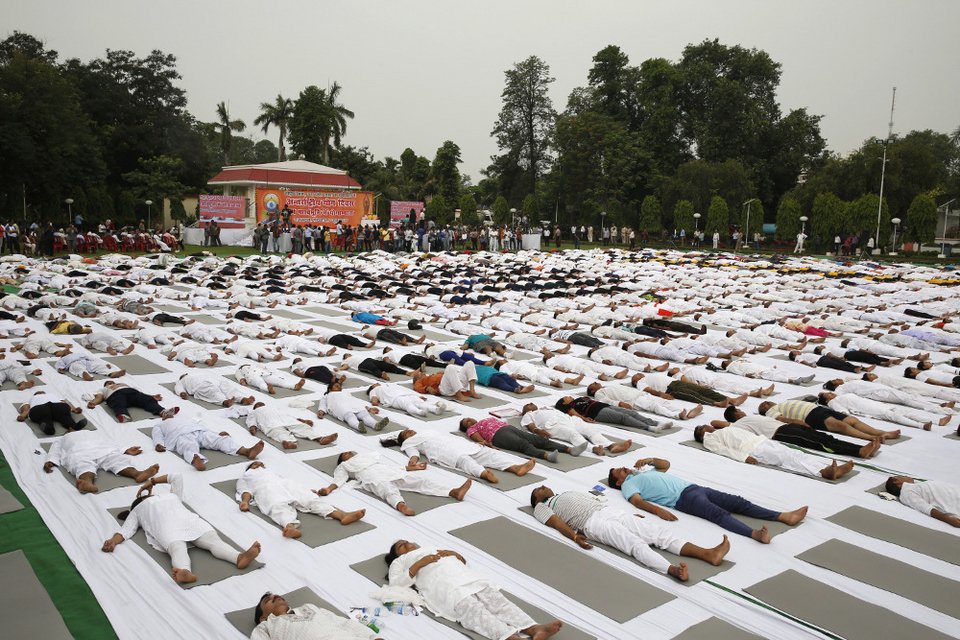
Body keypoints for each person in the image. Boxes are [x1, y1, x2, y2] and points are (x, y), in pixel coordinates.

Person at [529, 486, 729, 581]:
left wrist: (630, 514)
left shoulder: (565, 492)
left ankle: (707, 554)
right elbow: (556, 522)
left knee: (656, 532)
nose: (542, 486)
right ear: (537, 499)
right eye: (538, 489)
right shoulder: (541, 507)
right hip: (591, 523)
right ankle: (672, 570)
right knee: (633, 543)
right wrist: (574, 537)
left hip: (608, 511)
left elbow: (596, 501)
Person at [385, 539, 563, 640]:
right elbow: (395, 584)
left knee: (497, 601)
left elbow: (462, 561)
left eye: (407, 541)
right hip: (443, 585)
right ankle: (511, 638)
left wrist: (453, 554)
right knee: (473, 609)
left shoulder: (431, 547)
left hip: (466, 577)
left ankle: (534, 628)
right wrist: (419, 564)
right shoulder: (399, 562)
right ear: (397, 554)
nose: (407, 543)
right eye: (401, 545)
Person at [102, 474, 261, 584]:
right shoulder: (138, 509)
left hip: (188, 520)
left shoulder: (172, 496)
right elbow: (126, 530)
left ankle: (239, 557)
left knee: (213, 540)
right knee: (177, 547)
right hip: (165, 526)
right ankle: (185, 572)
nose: (149, 495)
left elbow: (176, 476)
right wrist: (113, 541)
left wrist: (152, 481)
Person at [608, 457, 808, 543]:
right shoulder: (628, 486)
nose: (625, 468)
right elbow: (637, 502)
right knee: (718, 514)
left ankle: (783, 516)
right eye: (621, 471)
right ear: (618, 482)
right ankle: (754, 534)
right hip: (683, 499)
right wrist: (659, 511)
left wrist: (649, 459)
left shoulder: (642, 473)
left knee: (739, 502)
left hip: (695, 488)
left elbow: (665, 465)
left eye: (623, 467)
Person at [318, 451, 469, 516]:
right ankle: (401, 506)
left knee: (419, 481)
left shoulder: (367, 457)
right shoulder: (344, 465)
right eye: (344, 454)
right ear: (342, 459)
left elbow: (389, 466)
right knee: (387, 489)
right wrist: (328, 489)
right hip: (370, 476)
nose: (348, 452)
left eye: (349, 452)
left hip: (387, 471)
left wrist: (413, 468)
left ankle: (452, 492)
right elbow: (339, 478)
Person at [236, 461, 365, 538]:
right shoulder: (245, 477)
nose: (259, 464)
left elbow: (285, 480)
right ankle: (290, 526)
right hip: (265, 489)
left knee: (309, 498)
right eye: (255, 464)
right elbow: (245, 491)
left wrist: (307, 490)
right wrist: (245, 502)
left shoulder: (271, 472)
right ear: (249, 468)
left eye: (261, 464)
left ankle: (342, 515)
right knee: (277, 506)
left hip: (286, 485)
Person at [694, 424, 855, 480]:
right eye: (703, 427)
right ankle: (823, 472)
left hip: (760, 441)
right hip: (751, 449)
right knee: (785, 459)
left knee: (794, 453)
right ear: (702, 433)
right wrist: (744, 457)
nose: (707, 426)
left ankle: (829, 467)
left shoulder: (721, 430)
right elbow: (723, 450)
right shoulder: (709, 438)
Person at [383, 429, 536, 484]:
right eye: (406, 433)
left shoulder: (426, 431)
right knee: (463, 460)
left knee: (486, 453)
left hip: (456, 443)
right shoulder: (408, 443)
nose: (409, 431)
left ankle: (515, 467)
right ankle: (483, 473)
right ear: (404, 439)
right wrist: (413, 463)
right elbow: (413, 454)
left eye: (409, 430)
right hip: (442, 451)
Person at [43, 430, 160, 493]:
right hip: (78, 451)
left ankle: (137, 474)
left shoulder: (91, 432)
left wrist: (125, 449)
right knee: (83, 465)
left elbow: (108, 442)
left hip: (101, 449)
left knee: (116, 459)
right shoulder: (61, 439)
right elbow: (55, 450)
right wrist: (50, 460)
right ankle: (87, 483)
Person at [152, 413, 264, 471]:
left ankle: (246, 451)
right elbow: (157, 434)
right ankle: (197, 461)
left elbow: (200, 425)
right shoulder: (159, 424)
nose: (168, 414)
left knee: (219, 440)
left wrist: (216, 433)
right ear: (163, 417)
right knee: (188, 446)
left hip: (199, 431)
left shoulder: (184, 418)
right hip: (180, 435)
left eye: (170, 413)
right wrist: (158, 444)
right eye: (166, 414)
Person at [757, 398, 899, 443]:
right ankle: (871, 438)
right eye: (763, 404)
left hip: (817, 408)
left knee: (852, 420)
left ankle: (881, 432)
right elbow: (782, 419)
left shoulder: (782, 402)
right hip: (810, 416)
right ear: (764, 410)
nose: (766, 402)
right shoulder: (770, 412)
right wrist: (801, 423)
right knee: (841, 425)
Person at [252, 592, 381, 640]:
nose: (274, 596)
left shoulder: (309, 607)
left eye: (275, 595)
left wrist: (373, 637)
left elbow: (344, 623)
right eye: (268, 599)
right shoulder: (267, 626)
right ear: (262, 618)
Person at [520, 403, 632, 456]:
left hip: (569, 419)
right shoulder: (529, 414)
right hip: (553, 425)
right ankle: (594, 449)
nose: (531, 403)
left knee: (590, 430)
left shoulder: (546, 407)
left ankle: (611, 445)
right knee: (572, 434)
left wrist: (583, 418)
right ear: (525, 410)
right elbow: (531, 426)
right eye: (528, 404)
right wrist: (538, 431)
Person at [459, 416, 584, 462]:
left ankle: (569, 449)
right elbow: (478, 438)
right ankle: (546, 456)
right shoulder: (471, 429)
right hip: (497, 435)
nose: (469, 420)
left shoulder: (484, 419)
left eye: (468, 418)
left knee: (537, 439)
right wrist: (487, 444)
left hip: (508, 428)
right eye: (467, 422)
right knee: (523, 444)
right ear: (466, 427)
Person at [587, 382, 702, 420]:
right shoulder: (598, 393)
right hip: (633, 400)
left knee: (663, 402)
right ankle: (677, 415)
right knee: (655, 407)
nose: (596, 382)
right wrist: (620, 404)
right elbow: (605, 401)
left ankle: (686, 411)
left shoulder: (606, 386)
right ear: (592, 390)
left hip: (640, 394)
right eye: (593, 384)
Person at [245, 402, 338, 449]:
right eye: (258, 404)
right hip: (271, 424)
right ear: (255, 407)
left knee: (303, 427)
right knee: (278, 433)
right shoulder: (254, 412)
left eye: (261, 404)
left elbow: (287, 415)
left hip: (287, 421)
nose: (260, 404)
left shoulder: (274, 407)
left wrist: (302, 420)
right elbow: (251, 420)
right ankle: (290, 443)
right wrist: (252, 427)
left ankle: (320, 439)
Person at [554, 395, 669, 433]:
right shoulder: (570, 406)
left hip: (604, 406)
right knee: (624, 417)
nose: (569, 396)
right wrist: (584, 418)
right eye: (566, 397)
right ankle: (649, 427)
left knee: (631, 413)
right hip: (597, 412)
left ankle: (656, 422)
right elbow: (573, 413)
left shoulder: (579, 398)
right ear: (564, 402)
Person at [884, 476, 960, 528]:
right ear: (897, 481)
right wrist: (947, 519)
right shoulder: (906, 492)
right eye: (903, 476)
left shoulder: (915, 486)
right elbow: (926, 508)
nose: (906, 476)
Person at [86, 380, 179, 422]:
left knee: (146, 399)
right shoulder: (103, 389)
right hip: (115, 395)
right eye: (108, 383)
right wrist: (93, 403)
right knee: (118, 402)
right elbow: (99, 397)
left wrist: (152, 396)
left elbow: (141, 393)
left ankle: (163, 412)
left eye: (112, 382)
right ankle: (123, 415)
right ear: (105, 385)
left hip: (131, 392)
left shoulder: (123, 383)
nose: (110, 383)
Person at [316, 389, 389, 433]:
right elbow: (322, 405)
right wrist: (321, 411)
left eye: (340, 386)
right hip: (340, 406)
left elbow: (355, 400)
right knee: (350, 416)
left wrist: (368, 408)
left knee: (364, 414)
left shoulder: (345, 393)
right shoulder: (327, 396)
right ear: (330, 389)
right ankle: (358, 426)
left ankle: (375, 424)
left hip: (353, 405)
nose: (339, 388)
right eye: (336, 386)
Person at [17, 391, 88, 435]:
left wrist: (22, 415)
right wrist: (74, 409)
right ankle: (73, 427)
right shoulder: (52, 395)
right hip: (58, 405)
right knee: (65, 416)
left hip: (40, 408)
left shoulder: (32, 399)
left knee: (44, 418)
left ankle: (47, 428)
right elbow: (63, 402)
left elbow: (26, 408)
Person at [412, 361, 481, 402]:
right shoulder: (419, 381)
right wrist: (426, 388)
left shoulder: (431, 376)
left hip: (456, 383)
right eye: (419, 374)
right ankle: (459, 395)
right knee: (450, 367)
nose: (422, 373)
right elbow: (417, 387)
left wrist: (443, 373)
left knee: (469, 363)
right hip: (445, 389)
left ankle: (472, 390)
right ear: (417, 379)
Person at [366, 382, 447, 417]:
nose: (377, 383)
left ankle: (435, 409)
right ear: (372, 387)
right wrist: (375, 403)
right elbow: (374, 399)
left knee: (420, 402)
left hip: (405, 394)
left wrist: (417, 396)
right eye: (375, 384)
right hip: (394, 399)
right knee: (407, 404)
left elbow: (402, 390)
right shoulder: (374, 390)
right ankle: (419, 412)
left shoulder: (388, 386)